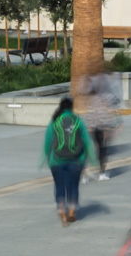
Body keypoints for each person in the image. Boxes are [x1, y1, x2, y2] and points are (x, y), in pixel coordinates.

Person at [44, 97, 97, 226]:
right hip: (75, 160)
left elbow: (47, 142)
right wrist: (92, 159)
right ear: (72, 107)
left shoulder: (55, 120)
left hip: (57, 161)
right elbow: (86, 141)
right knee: (73, 186)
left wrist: (46, 159)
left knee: (59, 186)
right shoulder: (77, 120)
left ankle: (62, 209)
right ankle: (72, 210)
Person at [82, 66, 121, 179]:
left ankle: (85, 174)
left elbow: (88, 114)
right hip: (104, 127)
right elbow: (114, 110)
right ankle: (102, 173)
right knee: (103, 149)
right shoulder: (108, 97)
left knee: (91, 149)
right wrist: (117, 125)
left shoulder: (91, 99)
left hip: (93, 126)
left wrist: (87, 126)